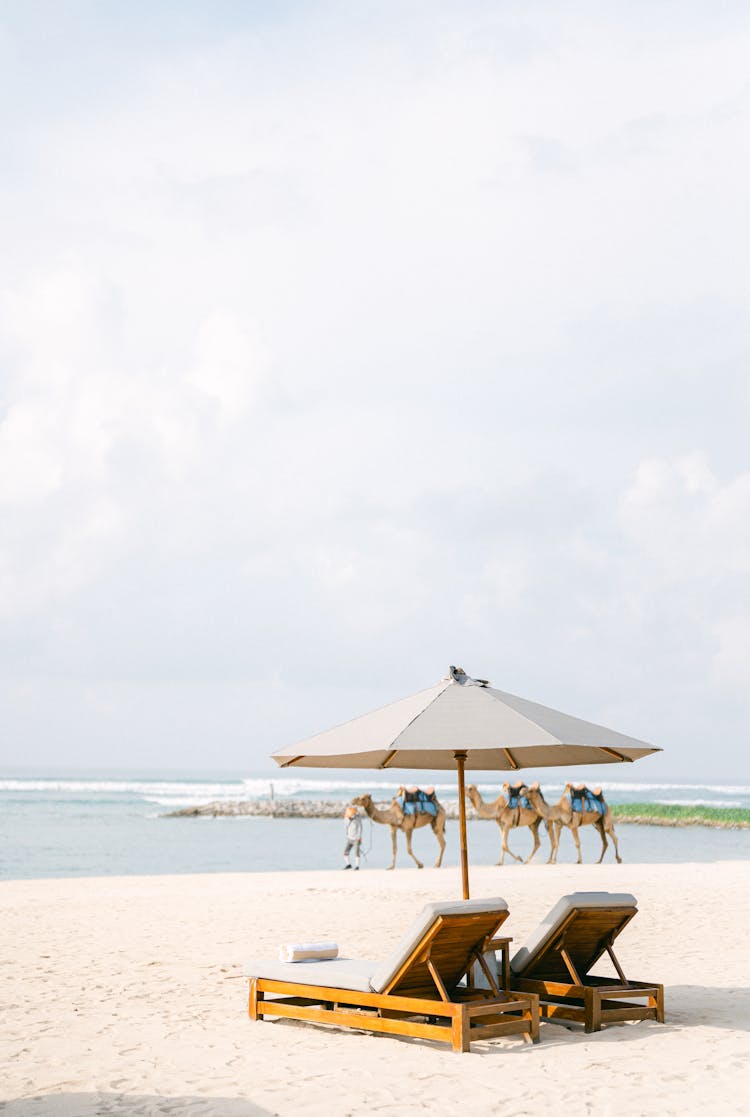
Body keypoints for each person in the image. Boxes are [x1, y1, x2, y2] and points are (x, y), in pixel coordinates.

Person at [343, 805, 362, 870]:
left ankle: (357, 866)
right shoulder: (346, 818)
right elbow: (346, 827)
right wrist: (347, 835)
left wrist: (359, 837)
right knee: (345, 852)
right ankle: (348, 865)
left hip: (356, 838)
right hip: (349, 838)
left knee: (357, 852)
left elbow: (360, 827)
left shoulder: (357, 818)